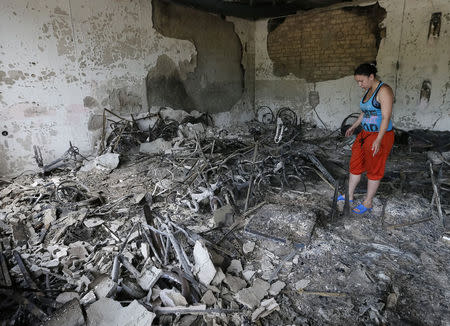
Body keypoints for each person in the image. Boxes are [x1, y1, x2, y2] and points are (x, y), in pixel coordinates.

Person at [342, 63, 394, 214]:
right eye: (357, 82)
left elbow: (385, 117)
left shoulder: (384, 90)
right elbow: (364, 112)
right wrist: (354, 126)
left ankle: (368, 201)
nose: (359, 85)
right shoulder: (368, 90)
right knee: (355, 162)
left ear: (371, 77)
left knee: (374, 167)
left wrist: (378, 139)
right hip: (365, 134)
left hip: (380, 135)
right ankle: (349, 195)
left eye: (361, 81)